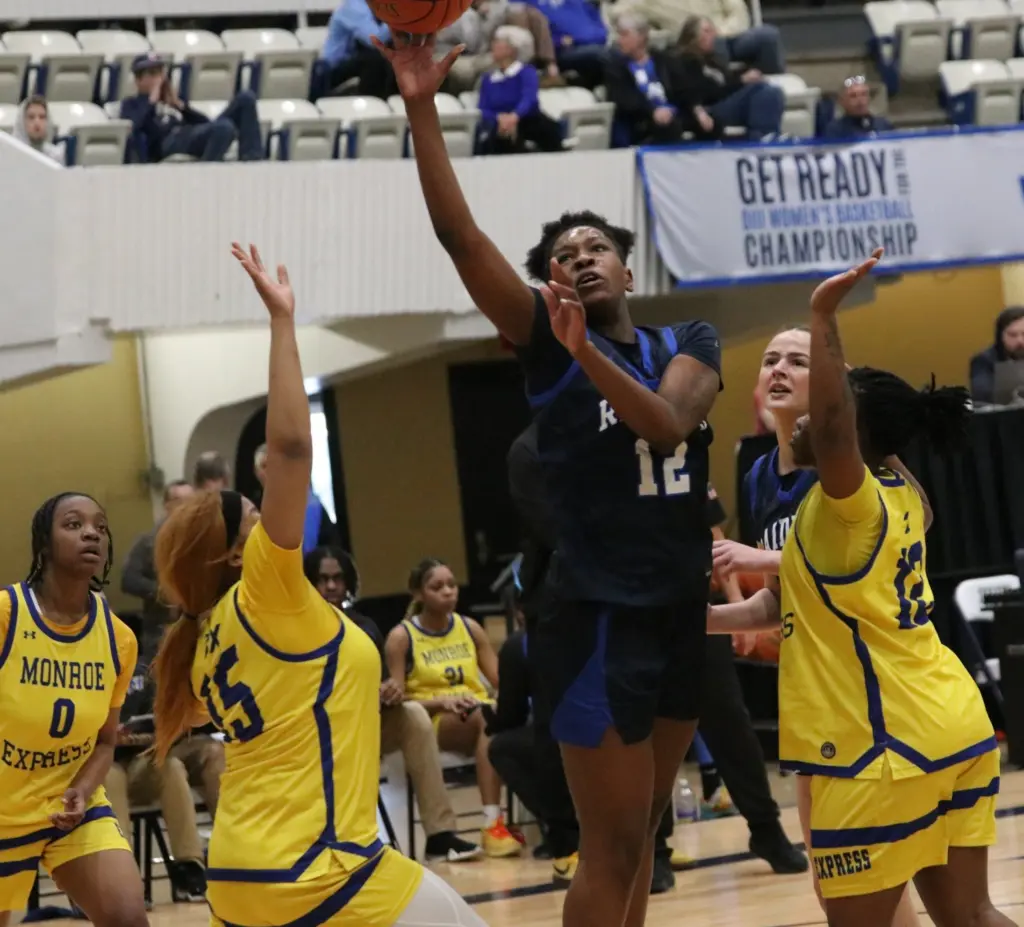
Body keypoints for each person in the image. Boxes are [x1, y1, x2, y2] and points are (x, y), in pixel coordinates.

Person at [377, 33, 722, 927]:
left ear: (627, 268)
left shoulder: (688, 341)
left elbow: (666, 420)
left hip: (678, 606)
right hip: (595, 615)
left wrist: (591, 356)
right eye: (565, 254)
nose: (582, 256)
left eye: (597, 245)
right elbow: (459, 237)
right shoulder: (546, 345)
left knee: (646, 832)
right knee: (611, 842)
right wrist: (421, 106)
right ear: (548, 285)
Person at [150, 243, 489, 927]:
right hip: (317, 868)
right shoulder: (263, 589)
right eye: (254, 515)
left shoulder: (205, 633)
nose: (270, 515)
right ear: (236, 554)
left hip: (241, 877)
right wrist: (283, 323)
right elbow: (291, 451)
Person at [710, 249, 1012, 927]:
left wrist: (823, 316)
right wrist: (692, 618)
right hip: (948, 719)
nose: (808, 416)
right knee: (972, 915)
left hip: (879, 744)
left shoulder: (851, 497)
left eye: (806, 373)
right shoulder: (899, 485)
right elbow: (790, 598)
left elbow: (836, 427)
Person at [713, 323, 922, 927]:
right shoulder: (758, 474)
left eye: (798, 362)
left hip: (873, 694)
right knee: (836, 891)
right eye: (770, 359)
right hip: (814, 695)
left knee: (871, 890)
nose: (779, 369)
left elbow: (890, 537)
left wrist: (761, 557)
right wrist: (690, 620)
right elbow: (779, 602)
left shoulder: (846, 467)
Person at [0, 493, 147, 927]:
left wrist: (82, 790)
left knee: (128, 918)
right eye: (73, 524)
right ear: (44, 543)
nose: (91, 534)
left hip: (68, 804)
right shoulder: (7, 615)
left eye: (100, 527)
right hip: (3, 809)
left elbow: (105, 741)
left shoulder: (119, 639)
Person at [303, 546, 482, 862]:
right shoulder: (294, 633)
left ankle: (440, 835)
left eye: (337, 579)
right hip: (317, 732)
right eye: (322, 579)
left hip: (367, 723)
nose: (331, 586)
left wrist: (391, 691)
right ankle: (349, 841)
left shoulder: (364, 626)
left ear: (348, 583)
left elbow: (386, 682)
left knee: (413, 714)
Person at [384, 560, 518, 858]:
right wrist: (442, 702)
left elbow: (502, 681)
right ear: (418, 594)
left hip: (479, 712)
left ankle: (546, 820)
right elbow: (398, 703)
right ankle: (492, 824)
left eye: (452, 585)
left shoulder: (470, 628)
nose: (448, 592)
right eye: (437, 587)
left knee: (502, 716)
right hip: (432, 721)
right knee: (488, 718)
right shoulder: (401, 637)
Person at [119, 53, 263, 163]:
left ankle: (253, 161)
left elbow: (206, 123)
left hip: (190, 134)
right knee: (224, 127)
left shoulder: (173, 100)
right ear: (138, 80)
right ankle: (206, 174)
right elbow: (135, 128)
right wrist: (151, 101)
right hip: (168, 142)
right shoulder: (132, 104)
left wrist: (181, 106)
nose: (159, 79)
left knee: (246, 98)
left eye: (160, 72)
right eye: (151, 74)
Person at [672, 15, 784, 140]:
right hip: (708, 109)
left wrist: (746, 76)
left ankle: (765, 136)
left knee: (770, 90)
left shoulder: (712, 61)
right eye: (706, 31)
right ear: (692, 36)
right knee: (766, 93)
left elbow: (727, 81)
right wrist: (741, 81)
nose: (713, 35)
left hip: (723, 102)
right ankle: (762, 139)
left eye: (712, 30)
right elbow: (706, 92)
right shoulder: (684, 61)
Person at [121, 479, 194, 662]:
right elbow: (129, 579)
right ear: (167, 505)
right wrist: (163, 592)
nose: (185, 507)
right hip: (159, 632)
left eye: (190, 501)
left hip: (196, 632)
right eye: (179, 501)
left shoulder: (201, 540)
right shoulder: (148, 542)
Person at [477, 28, 564, 155]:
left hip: (527, 120)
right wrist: (499, 118)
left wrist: (515, 116)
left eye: (499, 43)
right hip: (498, 124)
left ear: (511, 49)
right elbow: (482, 107)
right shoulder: (487, 79)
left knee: (546, 128)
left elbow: (529, 99)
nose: (493, 46)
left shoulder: (526, 72)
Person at [605, 15, 684, 146]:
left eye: (624, 34)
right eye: (619, 35)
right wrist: (652, 111)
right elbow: (623, 99)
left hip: (671, 113)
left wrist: (674, 109)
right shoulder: (615, 67)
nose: (619, 40)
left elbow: (681, 89)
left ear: (641, 36)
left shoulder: (663, 60)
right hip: (640, 118)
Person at [254, 444, 338, 553]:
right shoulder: (253, 509)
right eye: (264, 466)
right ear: (257, 473)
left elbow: (330, 546)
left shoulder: (311, 504)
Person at [969, 306, 1024, 404]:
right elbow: (982, 397)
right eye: (1012, 335)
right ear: (1000, 336)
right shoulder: (984, 360)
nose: (1020, 341)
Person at [822, 75, 892, 141]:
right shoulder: (834, 130)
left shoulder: (883, 125)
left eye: (864, 94)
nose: (860, 100)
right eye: (853, 96)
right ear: (842, 101)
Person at [13, 95, 64, 164]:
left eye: (42, 117)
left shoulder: (56, 156)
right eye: (31, 117)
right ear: (22, 122)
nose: (37, 122)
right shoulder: (11, 155)